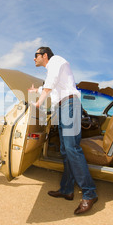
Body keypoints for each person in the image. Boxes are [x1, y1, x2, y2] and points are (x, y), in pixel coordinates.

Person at [29, 47, 98, 215]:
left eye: (36, 56)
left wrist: (39, 102)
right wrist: (36, 91)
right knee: (65, 151)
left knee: (71, 148)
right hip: (61, 108)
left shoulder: (56, 60)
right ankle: (67, 189)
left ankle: (89, 193)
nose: (34, 59)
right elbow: (53, 86)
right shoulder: (52, 69)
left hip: (69, 105)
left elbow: (51, 83)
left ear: (45, 55)